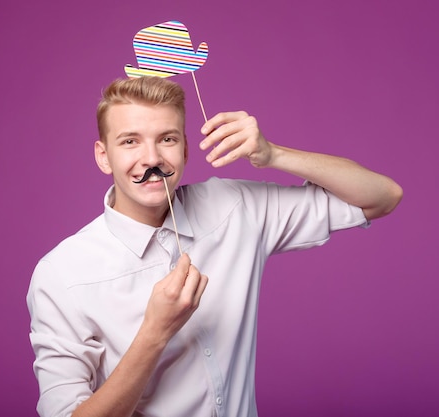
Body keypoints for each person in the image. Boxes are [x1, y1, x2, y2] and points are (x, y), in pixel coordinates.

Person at [26, 76, 402, 417]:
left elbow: (382, 196)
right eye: (130, 142)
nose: (152, 159)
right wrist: (155, 332)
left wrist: (273, 154)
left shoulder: (235, 207)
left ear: (186, 149)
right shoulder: (62, 275)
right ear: (103, 156)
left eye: (167, 139)